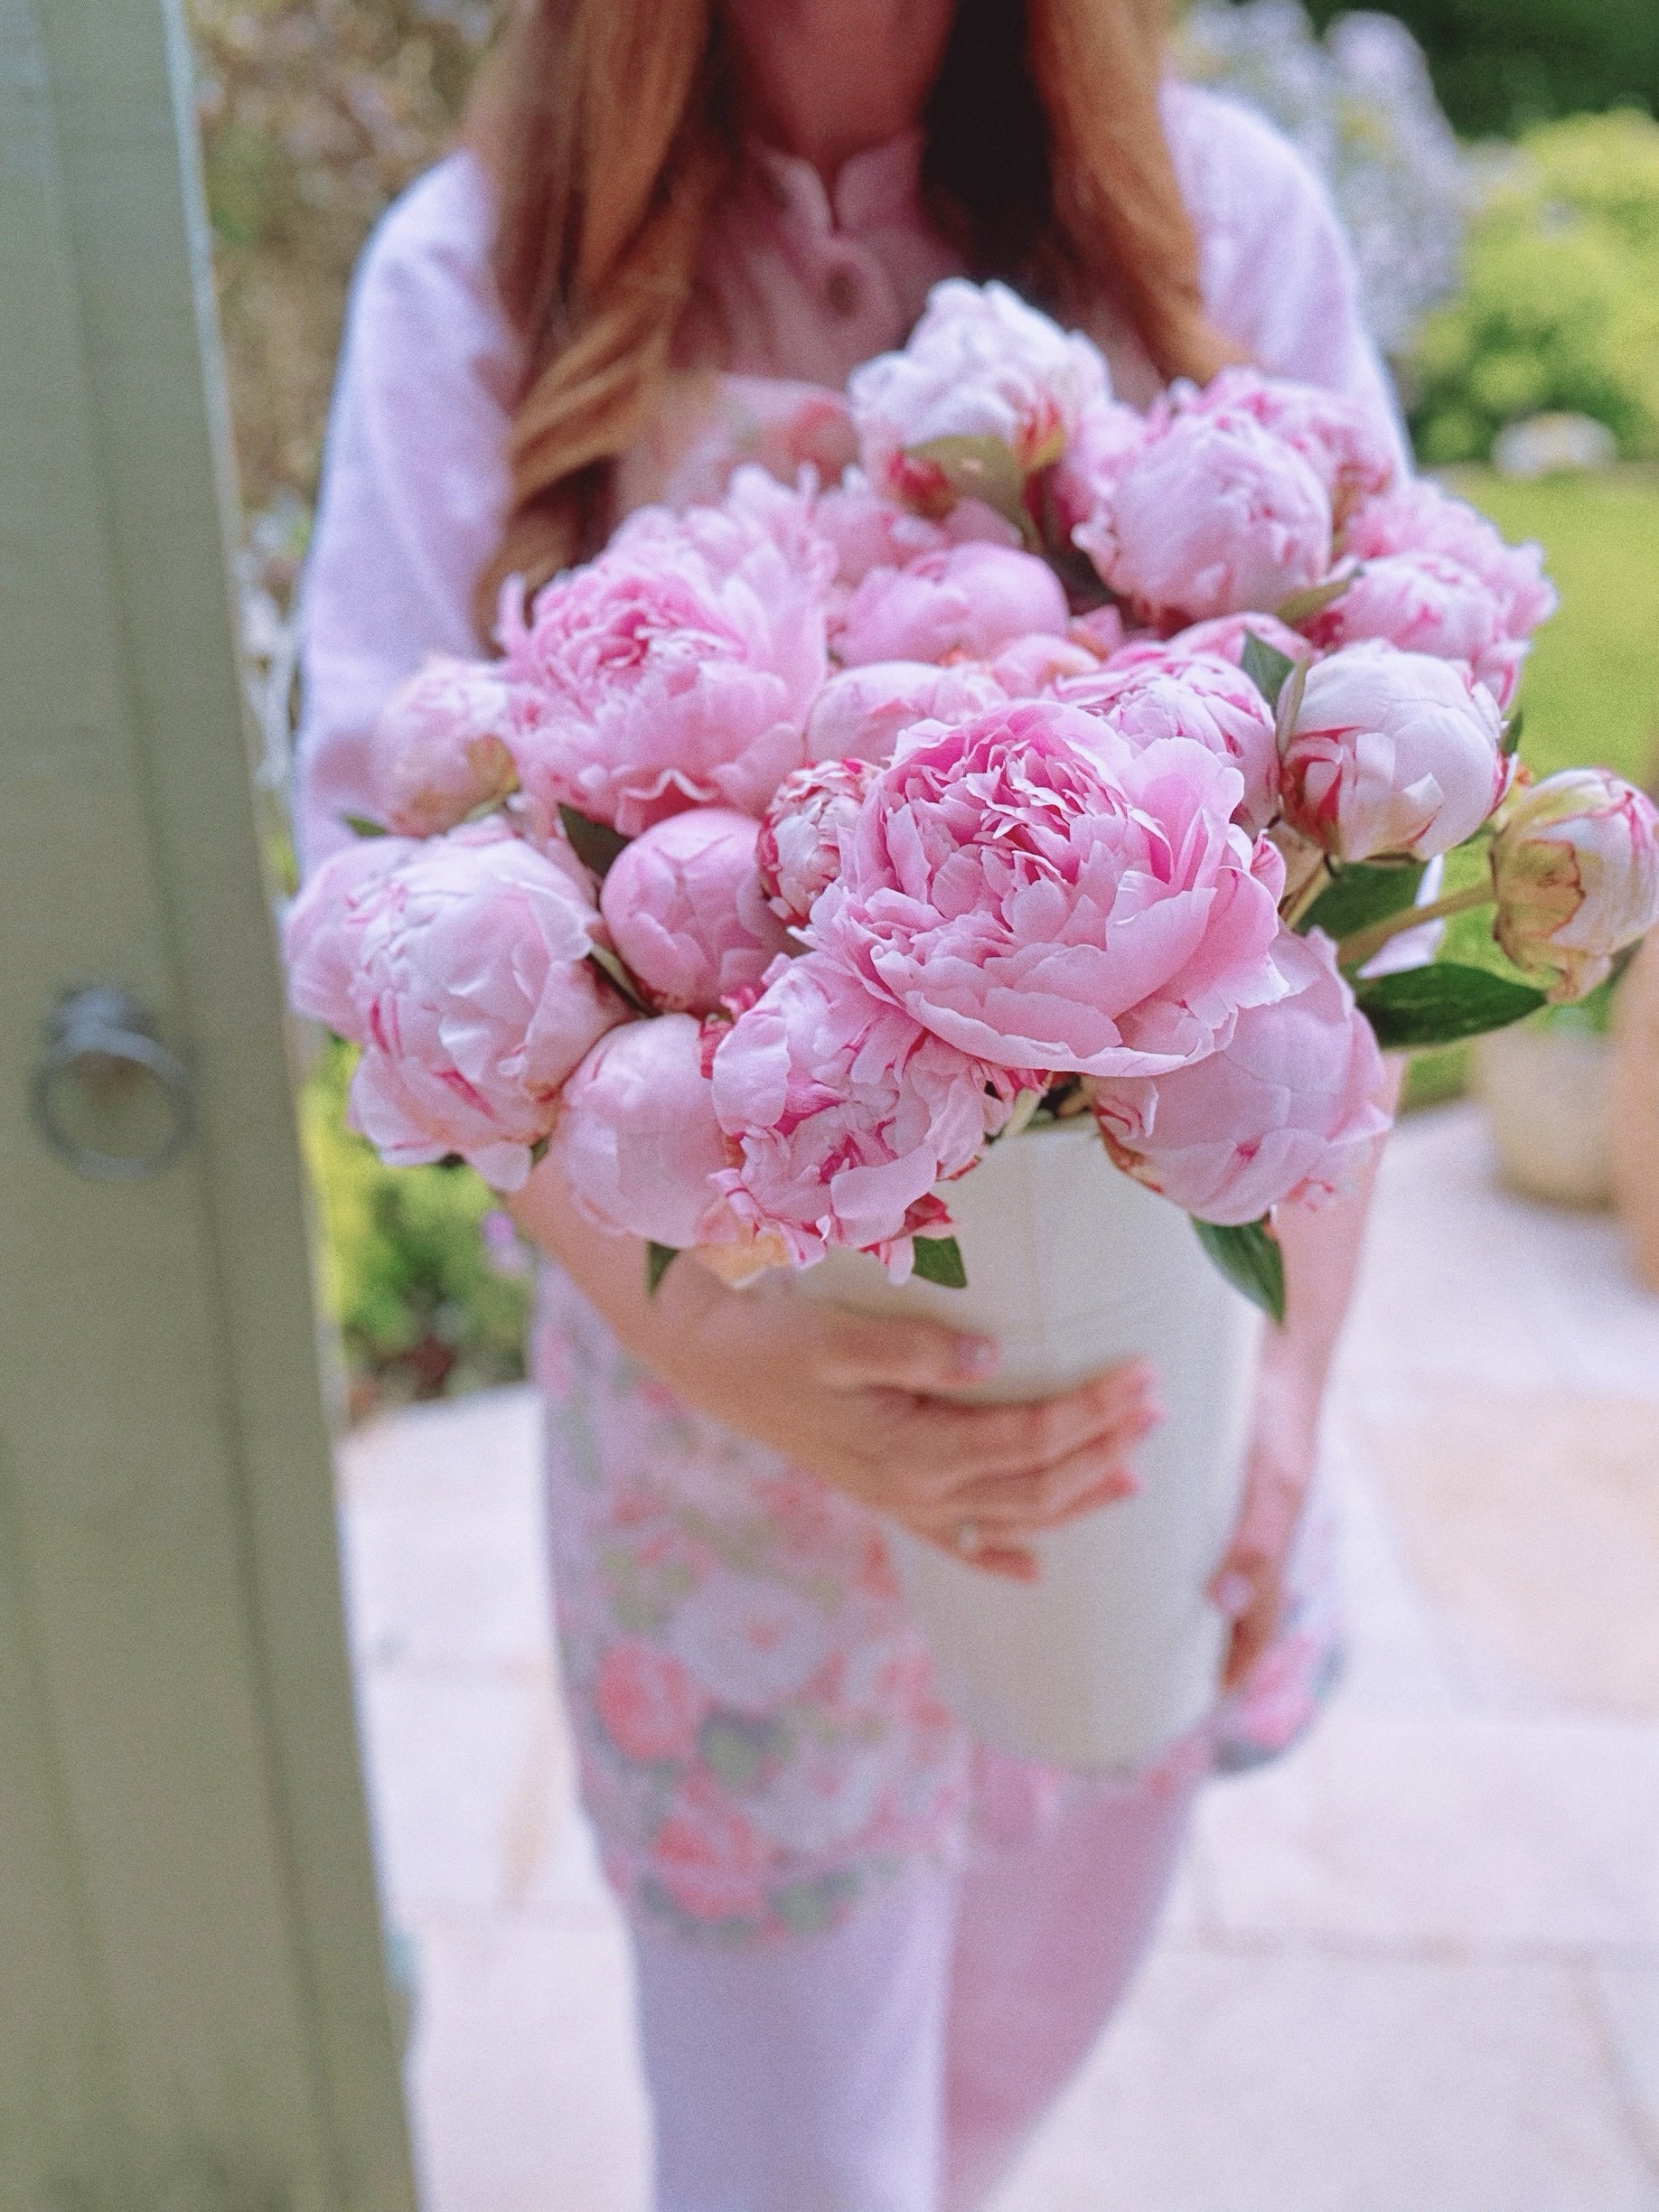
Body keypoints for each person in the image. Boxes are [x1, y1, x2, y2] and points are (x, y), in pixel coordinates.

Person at [295, 4, 1410, 2205]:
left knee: (1004, 2081)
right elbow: (366, 854)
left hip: (1141, 1395)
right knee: (790, 2161)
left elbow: (1371, 837)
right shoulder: (475, 278)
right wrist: (692, 1324)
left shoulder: (1216, 220)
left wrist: (1287, 1381)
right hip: (715, 1431)